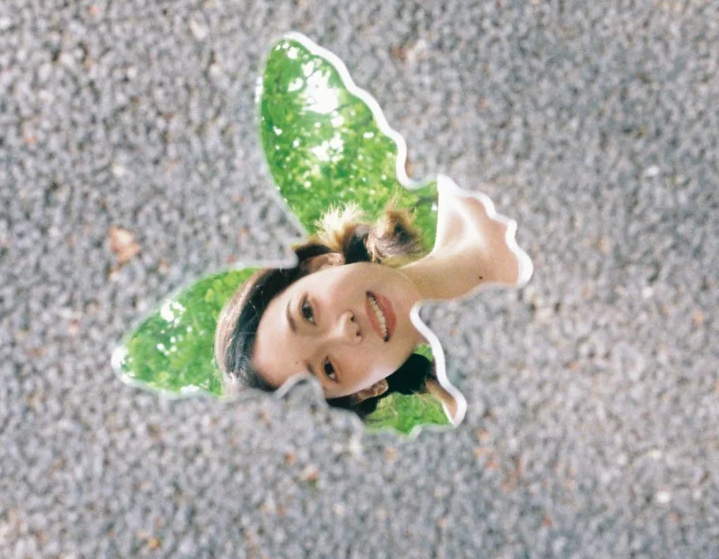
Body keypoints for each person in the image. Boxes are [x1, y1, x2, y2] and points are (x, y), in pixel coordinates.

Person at [214, 176, 532, 423]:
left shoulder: (465, 174)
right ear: (367, 390)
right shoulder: (501, 413)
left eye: (308, 312)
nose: (346, 330)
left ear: (322, 265)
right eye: (329, 369)